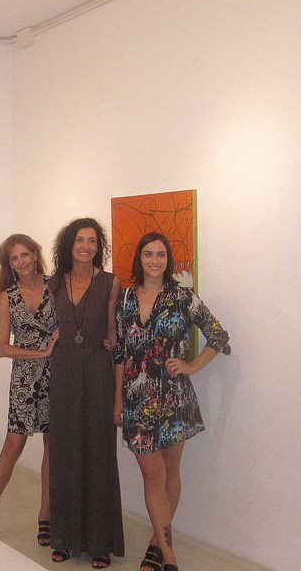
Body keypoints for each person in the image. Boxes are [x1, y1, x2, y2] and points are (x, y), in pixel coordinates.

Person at [113, 232, 230, 571]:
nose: (155, 260)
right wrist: (117, 398)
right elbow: (119, 353)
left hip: (175, 398)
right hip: (136, 400)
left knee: (170, 471)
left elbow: (218, 336)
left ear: (168, 260)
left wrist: (191, 365)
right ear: (140, 258)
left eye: (161, 254)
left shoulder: (182, 296)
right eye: (148, 254)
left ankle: (158, 543)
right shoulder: (124, 299)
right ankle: (170, 556)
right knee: (152, 474)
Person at [47, 218, 124, 569]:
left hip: (96, 372)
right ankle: (64, 538)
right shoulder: (54, 284)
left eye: (92, 241)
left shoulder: (110, 282)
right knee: (64, 454)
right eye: (80, 240)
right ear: (69, 244)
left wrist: (112, 342)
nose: (86, 247)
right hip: (63, 372)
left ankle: (100, 543)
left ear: (99, 246)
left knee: (98, 454)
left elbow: (112, 329)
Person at [0, 234, 58, 544]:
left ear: (35, 255)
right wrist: (42, 353)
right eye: (15, 258)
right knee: (13, 446)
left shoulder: (56, 287)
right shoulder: (7, 297)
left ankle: (45, 516)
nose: (22, 261)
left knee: (53, 447)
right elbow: (1, 348)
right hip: (25, 380)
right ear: (8, 264)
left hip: (58, 376)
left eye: (26, 254)